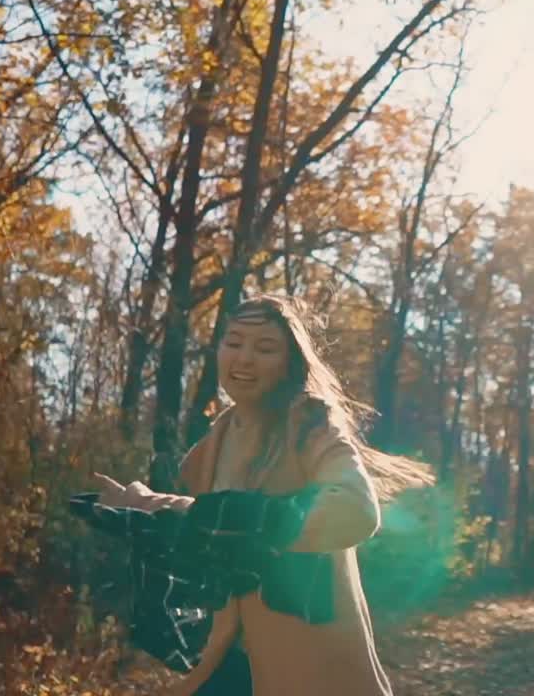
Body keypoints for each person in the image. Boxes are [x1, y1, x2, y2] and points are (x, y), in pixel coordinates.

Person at [91, 293, 432, 696]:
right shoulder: (215, 442)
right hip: (227, 656)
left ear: (290, 362)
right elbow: (210, 514)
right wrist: (135, 503)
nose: (244, 358)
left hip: (307, 661)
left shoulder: (310, 425)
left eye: (264, 348)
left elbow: (356, 508)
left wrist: (266, 521)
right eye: (233, 343)